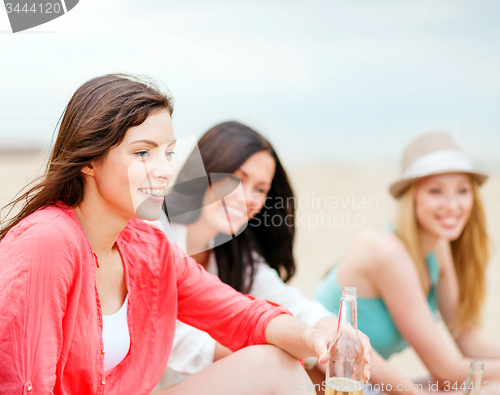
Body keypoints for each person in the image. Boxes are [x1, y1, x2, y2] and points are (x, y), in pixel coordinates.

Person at [0, 74, 360, 395]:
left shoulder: (147, 246)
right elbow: (25, 383)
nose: (163, 172)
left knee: (276, 364)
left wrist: (314, 337)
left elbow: (240, 316)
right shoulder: (47, 241)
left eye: (168, 154)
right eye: (143, 153)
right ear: (89, 160)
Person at [148, 121, 372, 393]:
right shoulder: (152, 230)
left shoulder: (234, 249)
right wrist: (290, 343)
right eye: (237, 179)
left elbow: (292, 304)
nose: (247, 197)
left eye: (261, 189)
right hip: (145, 387)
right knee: (281, 360)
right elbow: (175, 344)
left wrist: (333, 333)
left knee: (320, 357)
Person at [315, 131, 500, 390]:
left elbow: (470, 343)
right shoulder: (385, 252)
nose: (452, 204)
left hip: (371, 385)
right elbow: (446, 371)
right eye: (436, 191)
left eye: (462, 190)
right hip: (328, 386)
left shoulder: (438, 245)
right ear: (411, 197)